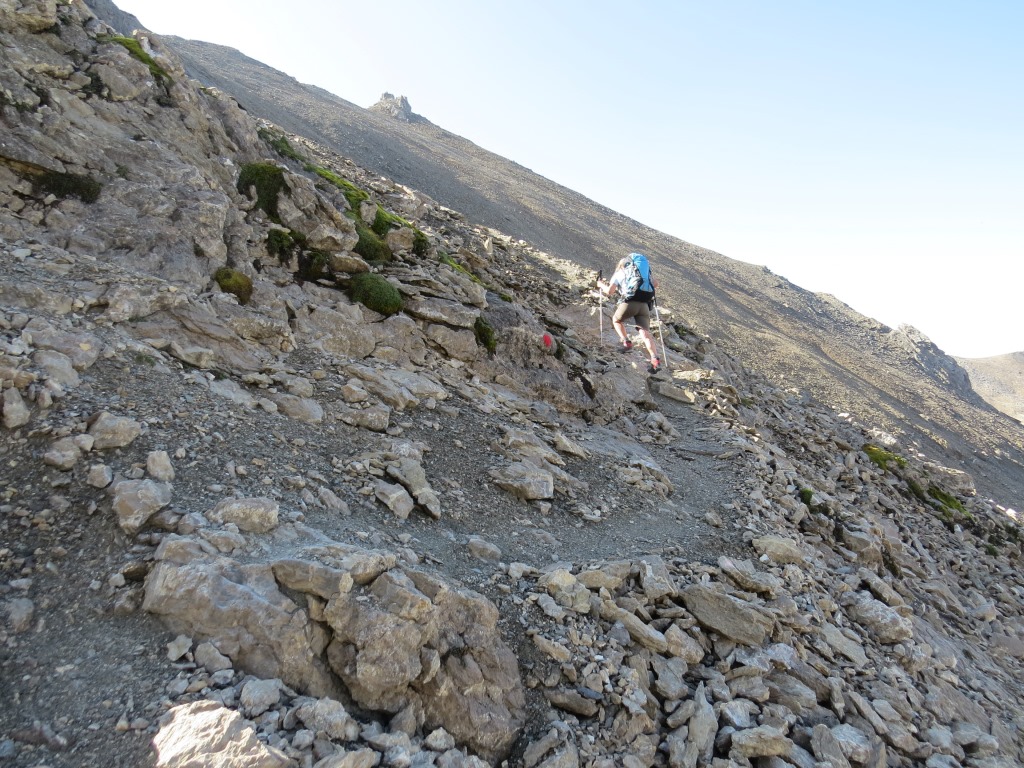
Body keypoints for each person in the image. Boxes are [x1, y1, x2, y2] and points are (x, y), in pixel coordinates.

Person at [596, 253, 661, 373]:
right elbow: (656, 283)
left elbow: (610, 291)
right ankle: (655, 359)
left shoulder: (620, 272)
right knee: (645, 333)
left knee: (616, 320)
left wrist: (600, 284)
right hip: (644, 305)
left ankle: (626, 342)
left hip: (629, 303)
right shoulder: (644, 275)